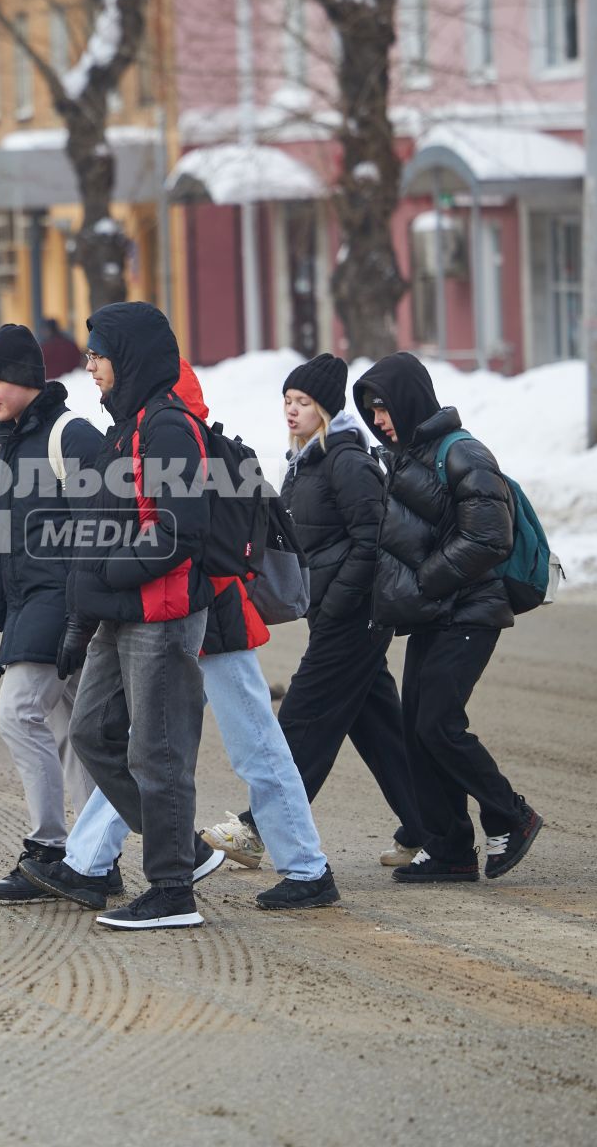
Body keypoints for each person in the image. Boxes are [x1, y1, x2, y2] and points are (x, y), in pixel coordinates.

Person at [204, 354, 421, 870]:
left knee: (303, 715)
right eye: (287, 401)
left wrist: (341, 599)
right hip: (332, 614)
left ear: (325, 409)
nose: (291, 410)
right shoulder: (306, 462)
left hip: (354, 616)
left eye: (302, 402)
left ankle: (256, 830)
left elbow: (374, 543)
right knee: (381, 728)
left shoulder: (348, 461)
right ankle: (429, 828)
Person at [51, 302, 221, 931]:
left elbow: (181, 531)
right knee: (93, 732)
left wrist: (109, 576)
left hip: (161, 615)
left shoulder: (170, 427)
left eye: (98, 355)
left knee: (158, 753)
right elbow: (96, 528)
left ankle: (173, 888)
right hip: (117, 615)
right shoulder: (126, 426)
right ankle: (186, 850)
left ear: (128, 359)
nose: (89, 366)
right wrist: (81, 611)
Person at [352, 352, 542, 883]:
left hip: (471, 610)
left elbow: (488, 536)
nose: (378, 419)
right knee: (417, 731)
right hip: (434, 613)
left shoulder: (463, 452)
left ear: (410, 399)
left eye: (384, 407)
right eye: (370, 410)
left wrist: (426, 580)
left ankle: (510, 813)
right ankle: (452, 850)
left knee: (438, 723)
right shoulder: (409, 455)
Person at [0, 324, 107, 902]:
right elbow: (1, 541)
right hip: (29, 601)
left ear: (26, 379)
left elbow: (102, 528)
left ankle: (49, 846)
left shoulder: (71, 436)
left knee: (18, 712)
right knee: (73, 731)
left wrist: (81, 617)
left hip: (63, 600)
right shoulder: (9, 441)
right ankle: (93, 857)